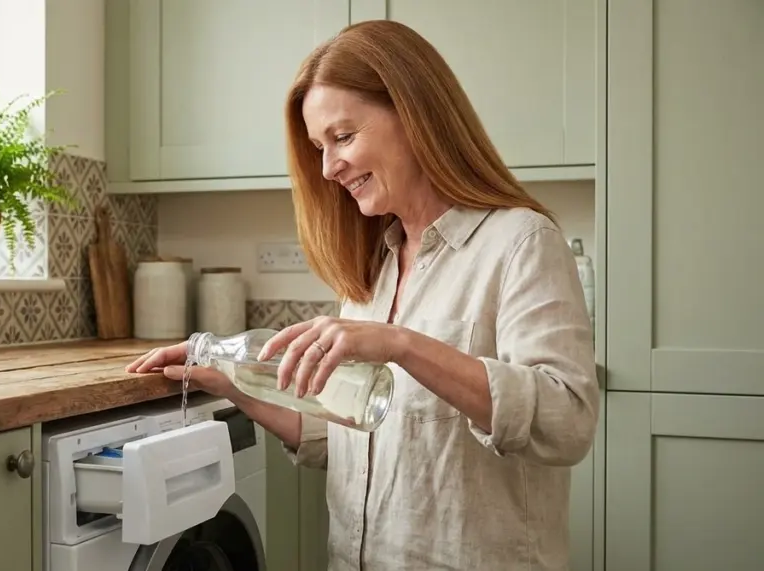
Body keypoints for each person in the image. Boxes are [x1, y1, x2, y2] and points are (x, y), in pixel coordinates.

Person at [126, 19, 599, 571]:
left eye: (343, 137)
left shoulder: (520, 242)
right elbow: (341, 435)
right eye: (319, 147)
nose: (328, 168)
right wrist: (232, 384)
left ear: (416, 114)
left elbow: (567, 422)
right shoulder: (373, 271)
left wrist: (401, 344)